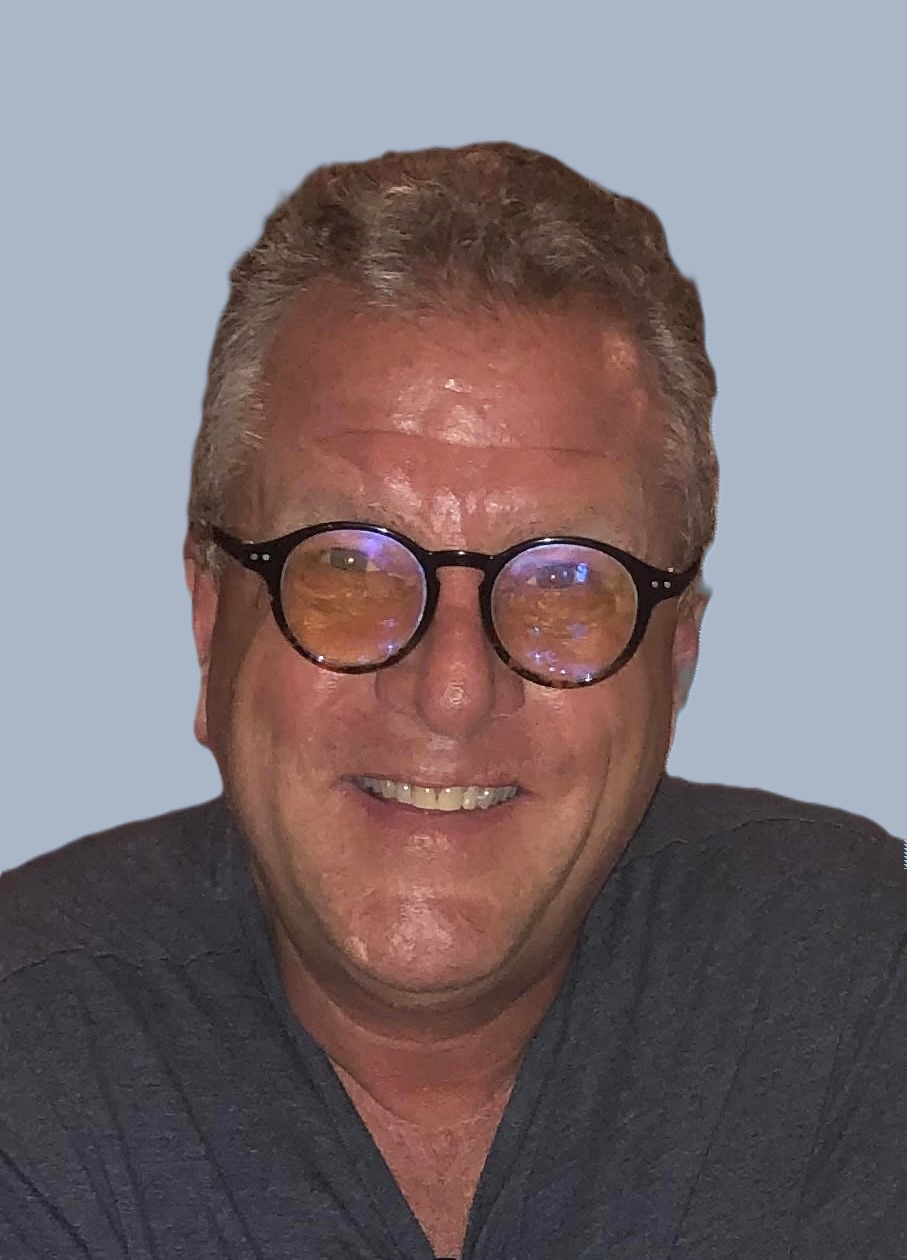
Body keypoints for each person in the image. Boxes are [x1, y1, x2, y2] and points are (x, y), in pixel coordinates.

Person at [1, 142, 904, 1260]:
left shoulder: (851, 986)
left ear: (676, 661)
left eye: (566, 580)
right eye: (346, 565)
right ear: (207, 618)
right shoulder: (29, 1064)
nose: (455, 689)